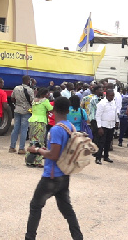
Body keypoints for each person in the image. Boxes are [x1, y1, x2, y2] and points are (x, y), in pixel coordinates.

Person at [24, 97, 83, 240]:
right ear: (68, 110)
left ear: (53, 110)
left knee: (35, 206)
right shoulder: (70, 126)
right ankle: (78, 236)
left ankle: (29, 237)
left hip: (51, 176)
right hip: (64, 174)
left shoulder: (57, 129)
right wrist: (47, 150)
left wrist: (37, 151)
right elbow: (60, 151)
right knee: (67, 209)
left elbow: (54, 154)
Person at [25, 88, 53, 168]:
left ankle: (29, 160)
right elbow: (51, 109)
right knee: (40, 142)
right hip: (41, 122)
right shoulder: (45, 101)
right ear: (45, 94)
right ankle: (37, 161)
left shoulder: (34, 101)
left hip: (32, 121)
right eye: (47, 94)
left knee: (33, 141)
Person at [10, 75, 35, 154]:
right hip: (26, 111)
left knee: (16, 128)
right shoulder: (30, 90)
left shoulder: (16, 88)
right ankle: (21, 148)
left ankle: (12, 147)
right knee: (24, 129)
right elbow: (32, 101)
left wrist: (17, 104)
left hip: (17, 110)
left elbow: (12, 98)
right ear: (28, 81)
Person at [94, 89, 119, 165]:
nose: (112, 97)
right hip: (103, 126)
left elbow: (115, 112)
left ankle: (106, 156)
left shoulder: (114, 102)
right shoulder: (102, 103)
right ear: (107, 95)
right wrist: (99, 127)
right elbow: (98, 115)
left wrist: (117, 121)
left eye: (113, 95)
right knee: (101, 142)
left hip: (111, 125)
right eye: (111, 95)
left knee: (108, 142)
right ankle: (98, 158)